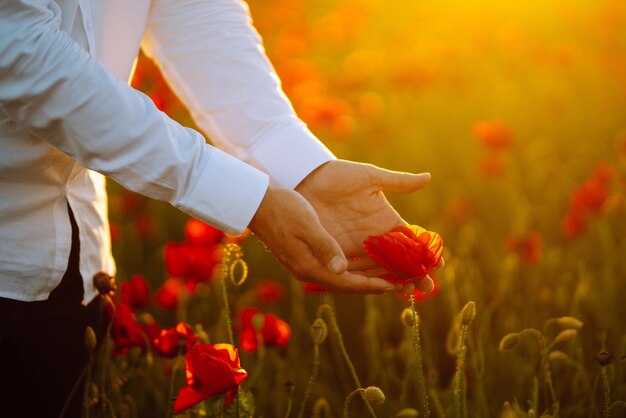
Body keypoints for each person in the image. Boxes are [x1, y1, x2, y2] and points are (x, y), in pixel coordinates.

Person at [0, 0, 437, 416]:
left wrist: (301, 168)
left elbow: (194, 9)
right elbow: (19, 49)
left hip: (75, 256)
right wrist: (242, 196)